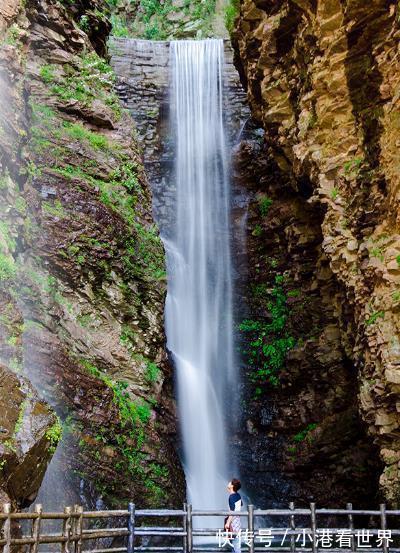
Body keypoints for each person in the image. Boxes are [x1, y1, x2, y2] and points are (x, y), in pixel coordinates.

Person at [225, 478, 243, 553]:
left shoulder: (231, 497)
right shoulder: (238, 495)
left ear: (232, 486)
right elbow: (241, 504)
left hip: (233, 521)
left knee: (235, 544)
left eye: (230, 482)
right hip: (238, 520)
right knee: (235, 542)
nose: (228, 483)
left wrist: (228, 523)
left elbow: (232, 511)